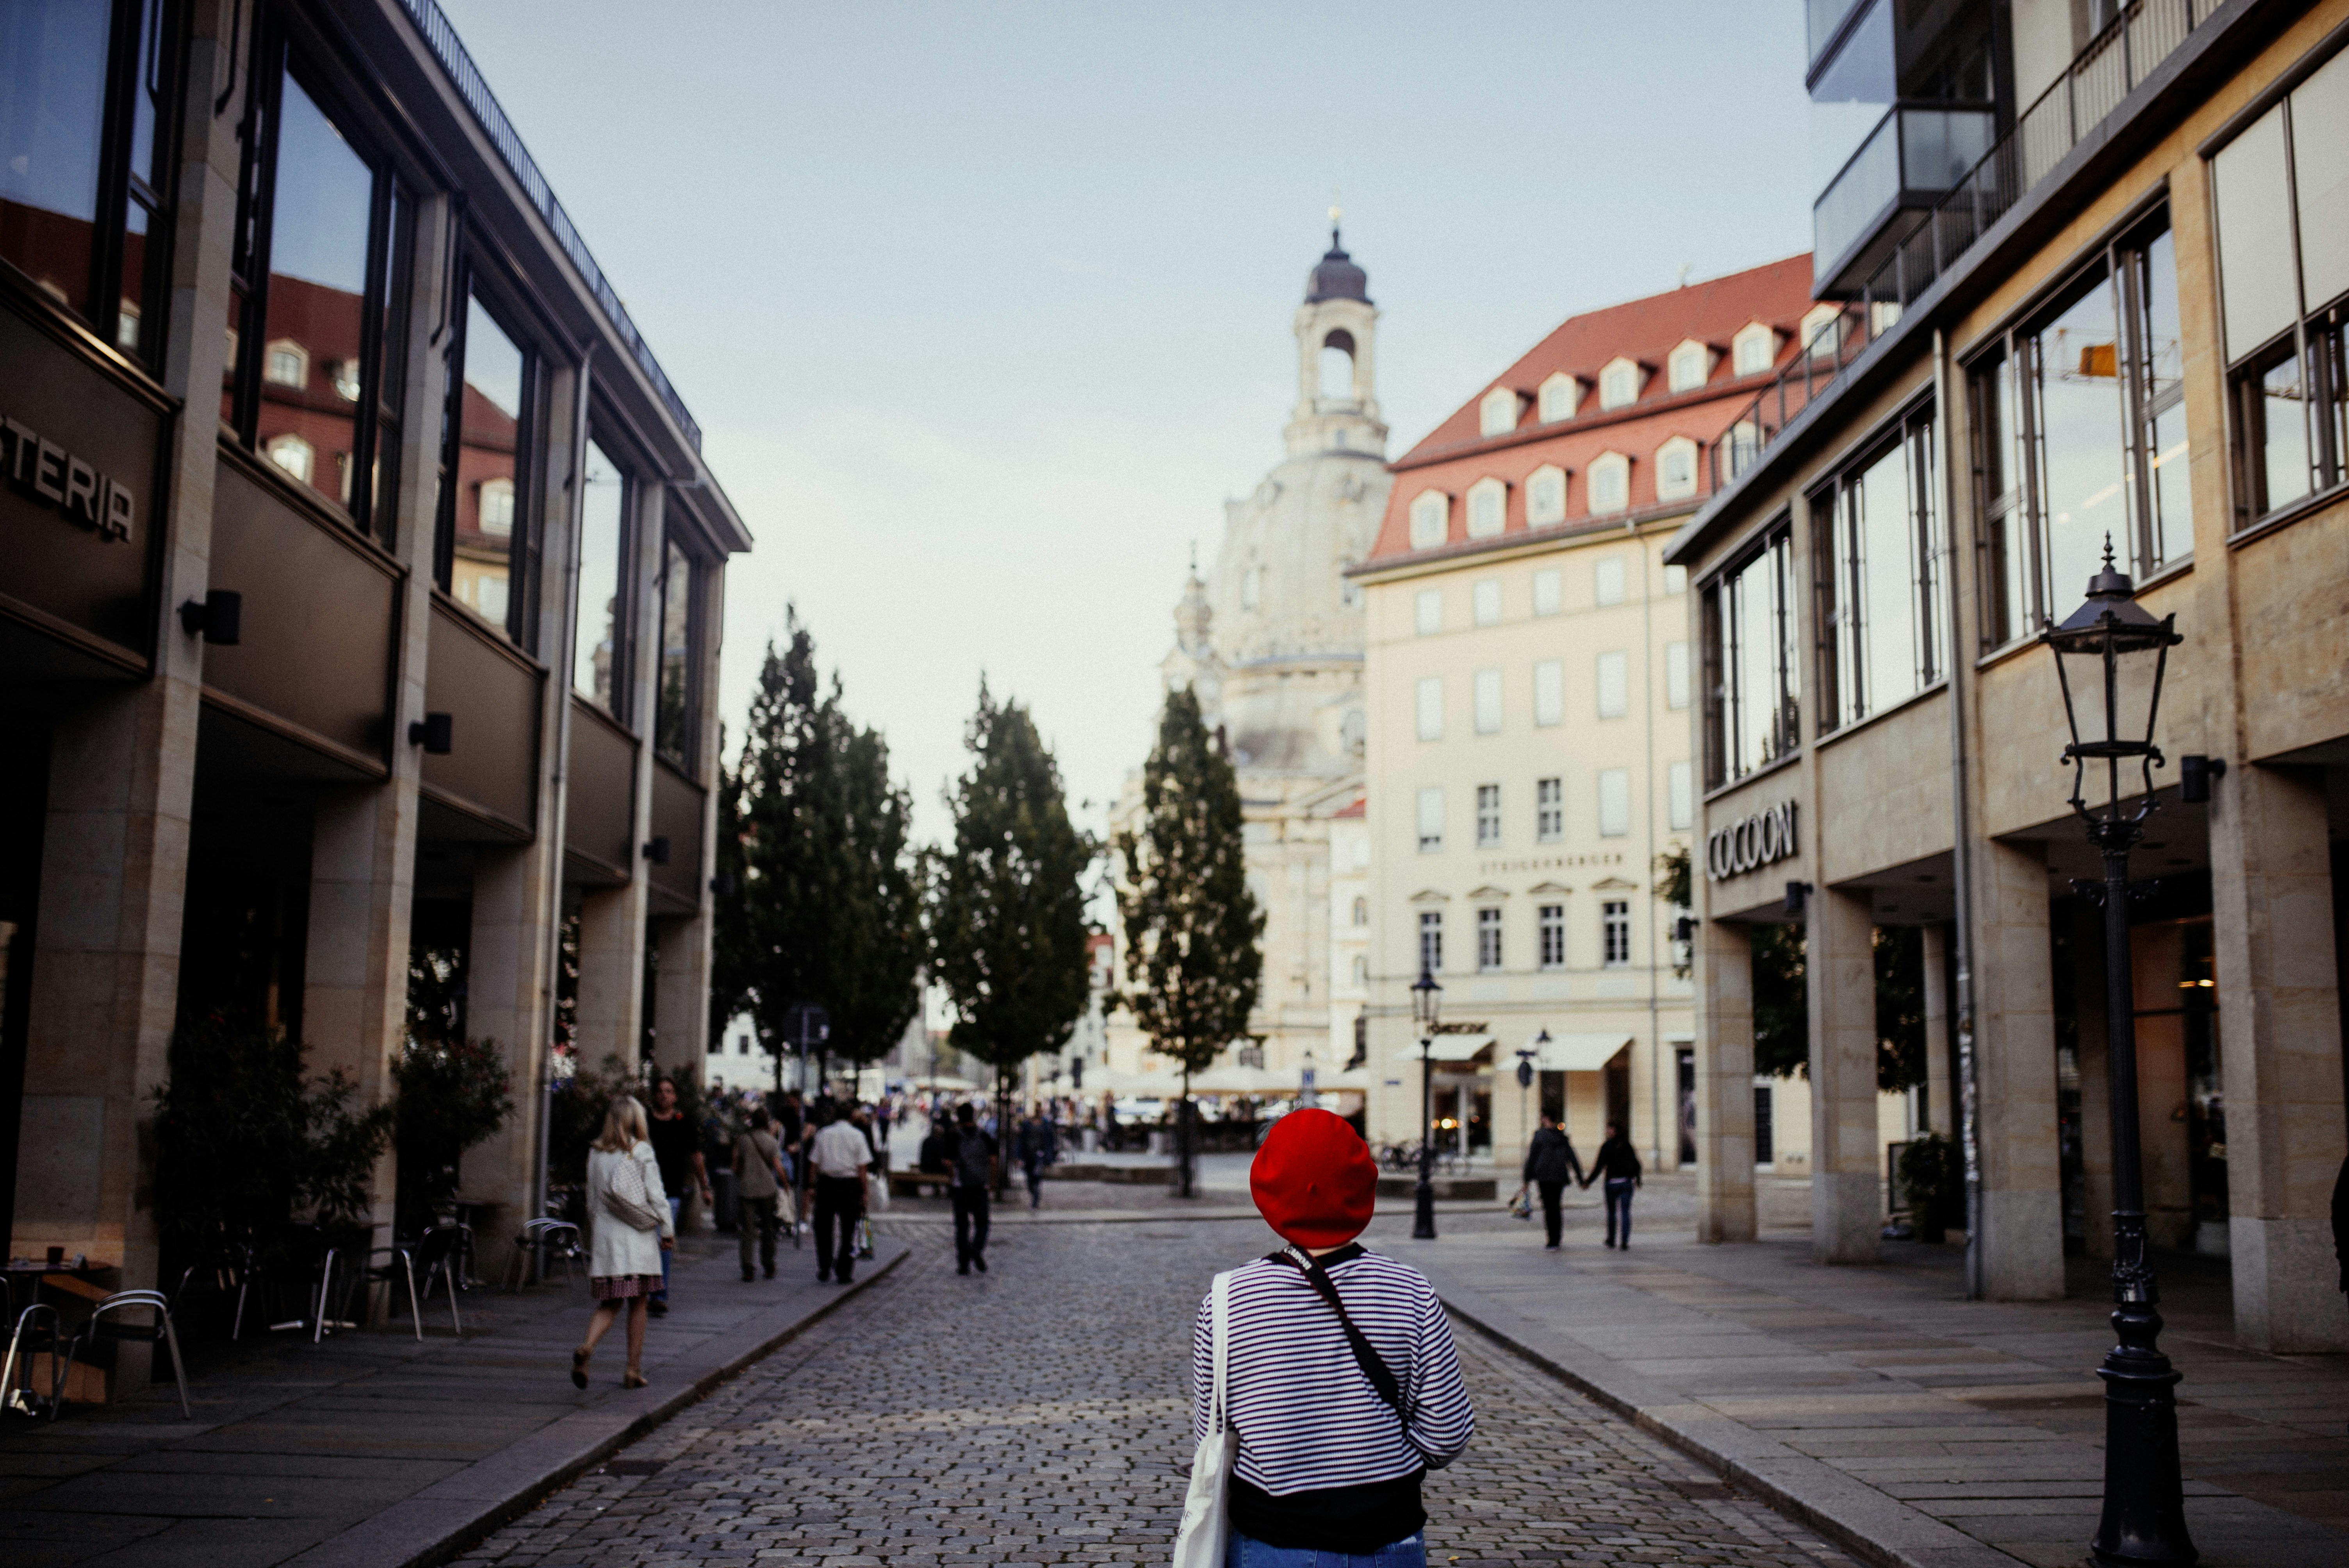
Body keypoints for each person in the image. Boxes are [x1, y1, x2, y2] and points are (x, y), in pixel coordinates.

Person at [1193, 1107, 1474, 1565]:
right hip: (1387, 1537)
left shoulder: (1227, 1299)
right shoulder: (1410, 1291)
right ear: (1363, 1185)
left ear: (1267, 1189)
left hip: (1270, 1541)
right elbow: (1446, 1433)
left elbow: (1214, 1435)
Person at [574, 1097, 671, 1390]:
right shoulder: (641, 1151)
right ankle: (632, 1370)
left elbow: (591, 1202)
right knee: (639, 1303)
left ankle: (588, 1347)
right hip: (636, 1240)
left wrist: (598, 1235)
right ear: (635, 1120)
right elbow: (656, 1195)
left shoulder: (596, 1154)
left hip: (607, 1241)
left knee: (610, 1303)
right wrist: (667, 1230)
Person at [645, 1078, 710, 1316]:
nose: (664, 1095)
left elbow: (696, 1157)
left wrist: (705, 1187)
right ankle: (645, 1291)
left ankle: (659, 1295)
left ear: (675, 1097)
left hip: (670, 1193)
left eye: (669, 1091)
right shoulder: (644, 1120)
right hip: (642, 1192)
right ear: (654, 1096)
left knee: (663, 1242)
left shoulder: (684, 1123)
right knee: (645, 1242)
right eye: (660, 1091)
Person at [809, 1104, 871, 1285]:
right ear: (852, 1116)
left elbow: (814, 1163)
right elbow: (862, 1168)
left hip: (827, 1183)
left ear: (834, 1114)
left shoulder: (824, 1134)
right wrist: (864, 1192)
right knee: (849, 1230)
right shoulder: (858, 1136)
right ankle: (844, 1271)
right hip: (850, 1185)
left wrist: (812, 1185)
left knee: (823, 1228)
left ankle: (825, 1266)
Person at [732, 1107, 788, 1281]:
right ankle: (769, 1263)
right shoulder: (771, 1141)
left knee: (748, 1230)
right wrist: (786, 1185)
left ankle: (748, 1268)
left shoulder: (743, 1140)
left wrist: (742, 1175)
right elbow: (778, 1167)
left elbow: (735, 1166)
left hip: (747, 1189)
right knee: (768, 1228)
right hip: (767, 1190)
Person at [1517, 1111, 1585, 1250]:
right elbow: (1573, 1158)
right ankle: (1557, 1238)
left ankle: (1551, 1240)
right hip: (1559, 1177)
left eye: (1542, 1118)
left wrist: (1526, 1179)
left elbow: (1532, 1158)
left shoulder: (1539, 1136)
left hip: (1544, 1177)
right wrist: (1580, 1179)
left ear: (1546, 1119)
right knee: (1556, 1207)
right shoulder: (1562, 1137)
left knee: (1549, 1208)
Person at [1581, 1119, 1643, 1249]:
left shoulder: (1607, 1146)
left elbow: (1599, 1167)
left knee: (1612, 1213)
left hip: (1612, 1183)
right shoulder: (1627, 1145)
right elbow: (1636, 1164)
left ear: (1613, 1129)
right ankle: (1625, 1241)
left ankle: (1611, 1239)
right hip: (1626, 1183)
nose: (1607, 1131)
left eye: (1608, 1128)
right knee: (1625, 1212)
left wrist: (1588, 1182)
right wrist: (1638, 1179)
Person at [948, 1102, 994, 1275]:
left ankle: (963, 1265)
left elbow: (948, 1162)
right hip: (980, 1186)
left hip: (961, 1187)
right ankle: (976, 1248)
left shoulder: (954, 1136)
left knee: (962, 1226)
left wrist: (953, 1178)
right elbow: (994, 1160)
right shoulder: (984, 1135)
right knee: (982, 1224)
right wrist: (992, 1181)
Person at [1016, 1108, 1048, 1210]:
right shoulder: (1027, 1125)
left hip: (1039, 1157)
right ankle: (1034, 1196)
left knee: (1036, 1178)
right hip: (1028, 1156)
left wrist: (1047, 1157)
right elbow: (1021, 1141)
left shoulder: (1045, 1125)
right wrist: (1020, 1156)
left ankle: (1035, 1200)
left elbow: (1048, 1142)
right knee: (1030, 1180)